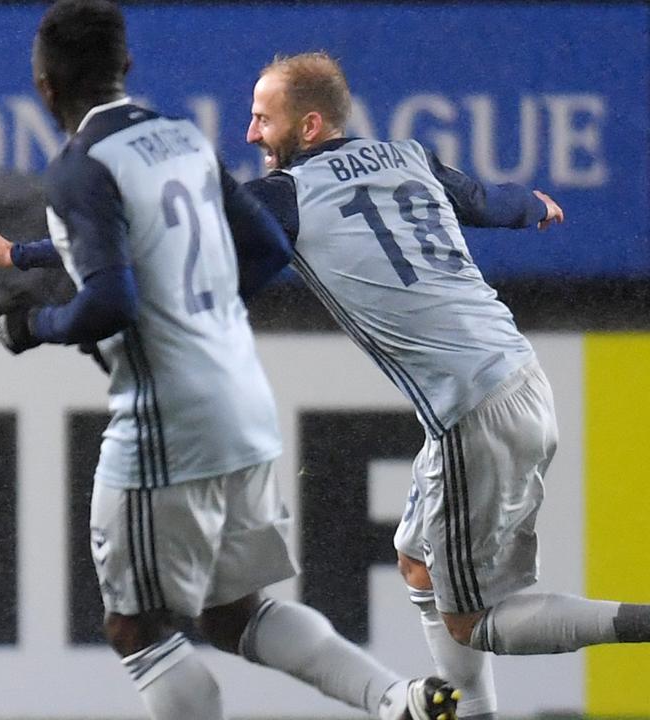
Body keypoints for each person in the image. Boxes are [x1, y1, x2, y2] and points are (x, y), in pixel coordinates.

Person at [0, 2, 458, 719]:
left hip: (167, 424)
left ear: (43, 86)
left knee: (135, 628)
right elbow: (266, 247)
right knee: (234, 613)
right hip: (242, 400)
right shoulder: (181, 138)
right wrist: (204, 323)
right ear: (126, 69)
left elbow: (110, 302)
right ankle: (396, 699)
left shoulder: (78, 168)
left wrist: (31, 327)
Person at [242, 51, 650, 720]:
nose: (252, 134)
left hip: (471, 416)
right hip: (519, 379)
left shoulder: (283, 196)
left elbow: (174, 239)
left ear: (310, 125)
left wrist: (42, 256)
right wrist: (533, 207)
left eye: (263, 118)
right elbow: (488, 200)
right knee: (417, 563)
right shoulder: (408, 156)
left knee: (475, 622)